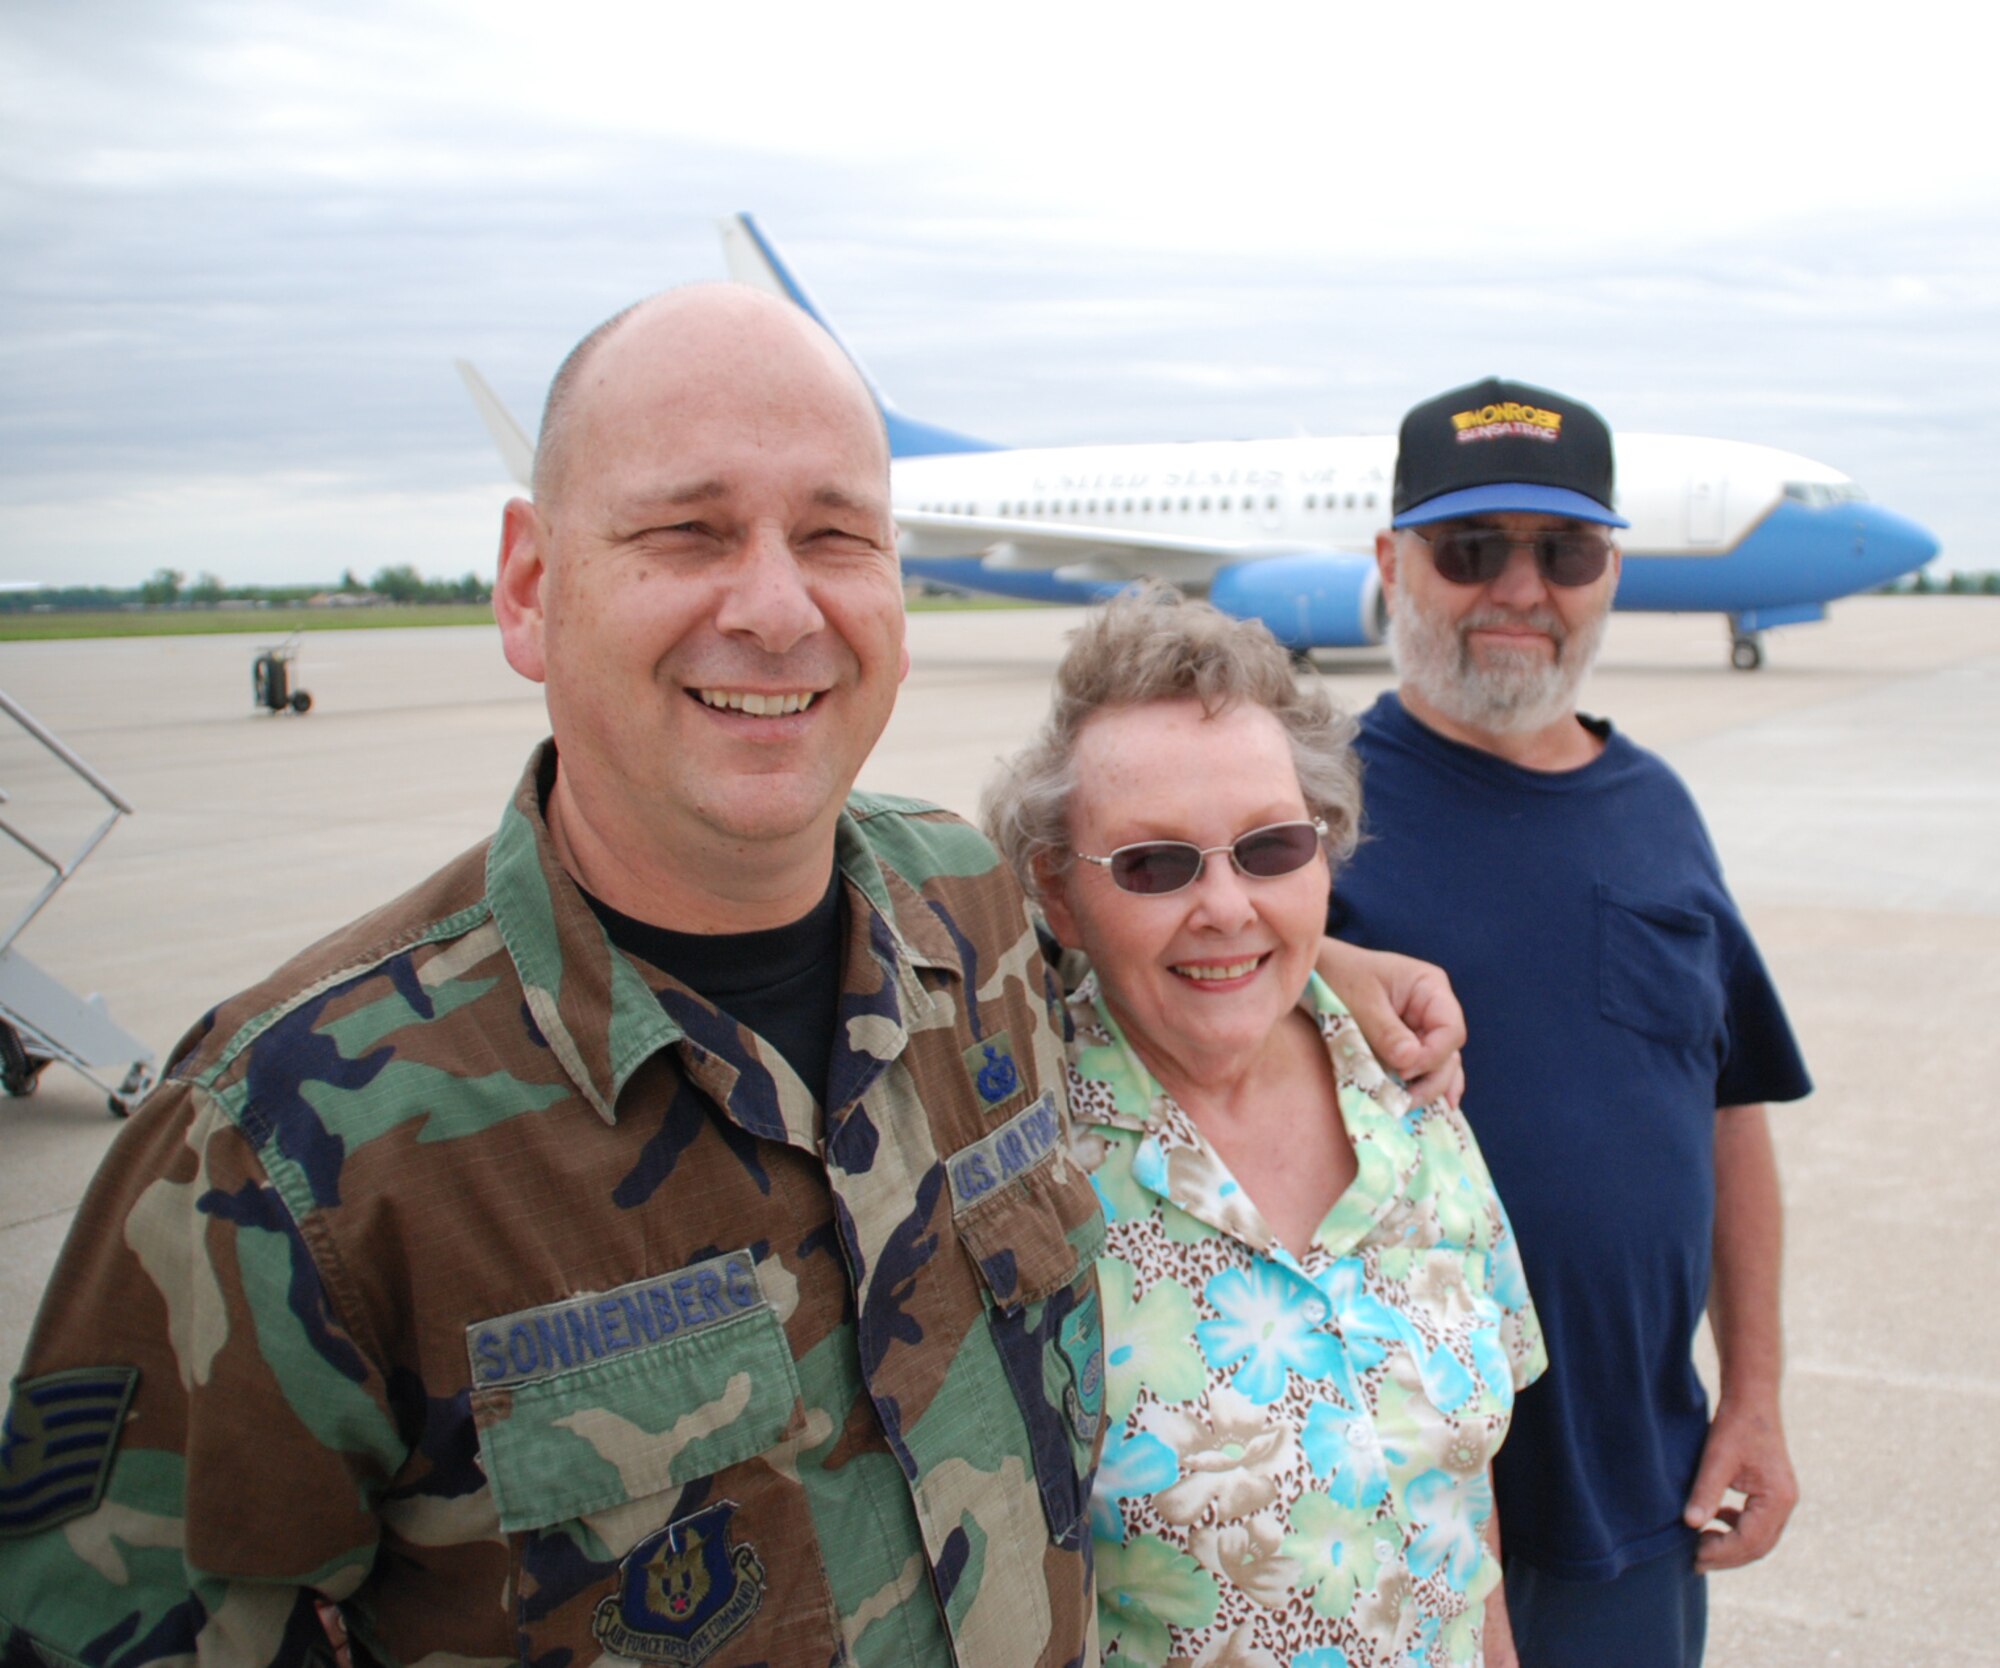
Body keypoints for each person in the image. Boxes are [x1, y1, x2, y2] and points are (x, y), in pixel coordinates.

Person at [0, 286, 1461, 1666]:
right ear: (529, 586)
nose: (775, 610)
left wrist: (1327, 959)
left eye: (835, 538)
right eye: (688, 532)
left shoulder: (969, 904)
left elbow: (1160, 907)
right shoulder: (277, 1148)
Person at [1327, 378, 1812, 1667]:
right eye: (1468, 550)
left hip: (1636, 1497)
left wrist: (1752, 1397)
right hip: (1382, 1516)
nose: (1518, 589)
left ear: (1608, 572)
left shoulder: (1657, 811)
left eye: (1566, 551)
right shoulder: (1301, 815)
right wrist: (1308, 944)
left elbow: (1724, 1113)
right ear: (1390, 563)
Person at [984, 586, 1546, 1668]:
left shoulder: (1411, 1099)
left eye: (1270, 849)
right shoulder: (1020, 1160)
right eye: (1154, 865)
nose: (1226, 908)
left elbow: (1458, 1512)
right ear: (1058, 894)